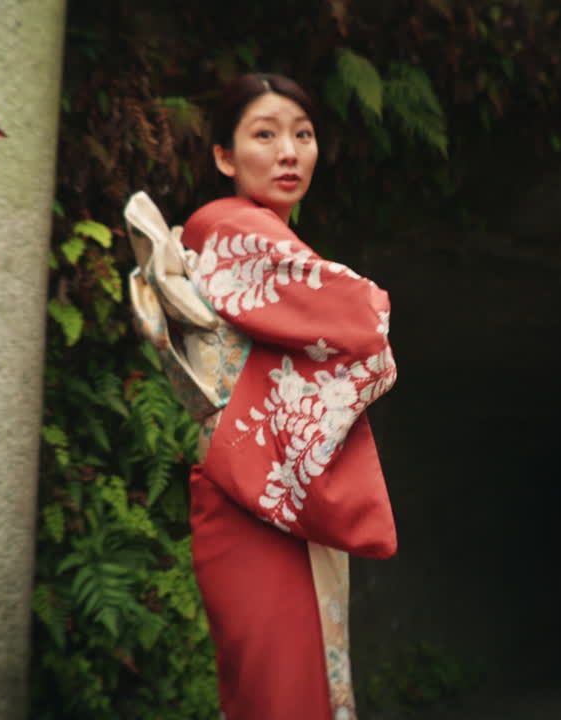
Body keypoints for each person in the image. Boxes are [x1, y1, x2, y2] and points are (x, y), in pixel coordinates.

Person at [126, 73, 398, 720]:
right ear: (224, 156)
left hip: (259, 478)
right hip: (252, 485)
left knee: (278, 687)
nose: (289, 152)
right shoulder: (228, 226)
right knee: (280, 691)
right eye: (265, 135)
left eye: (303, 136)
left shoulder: (253, 235)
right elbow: (362, 318)